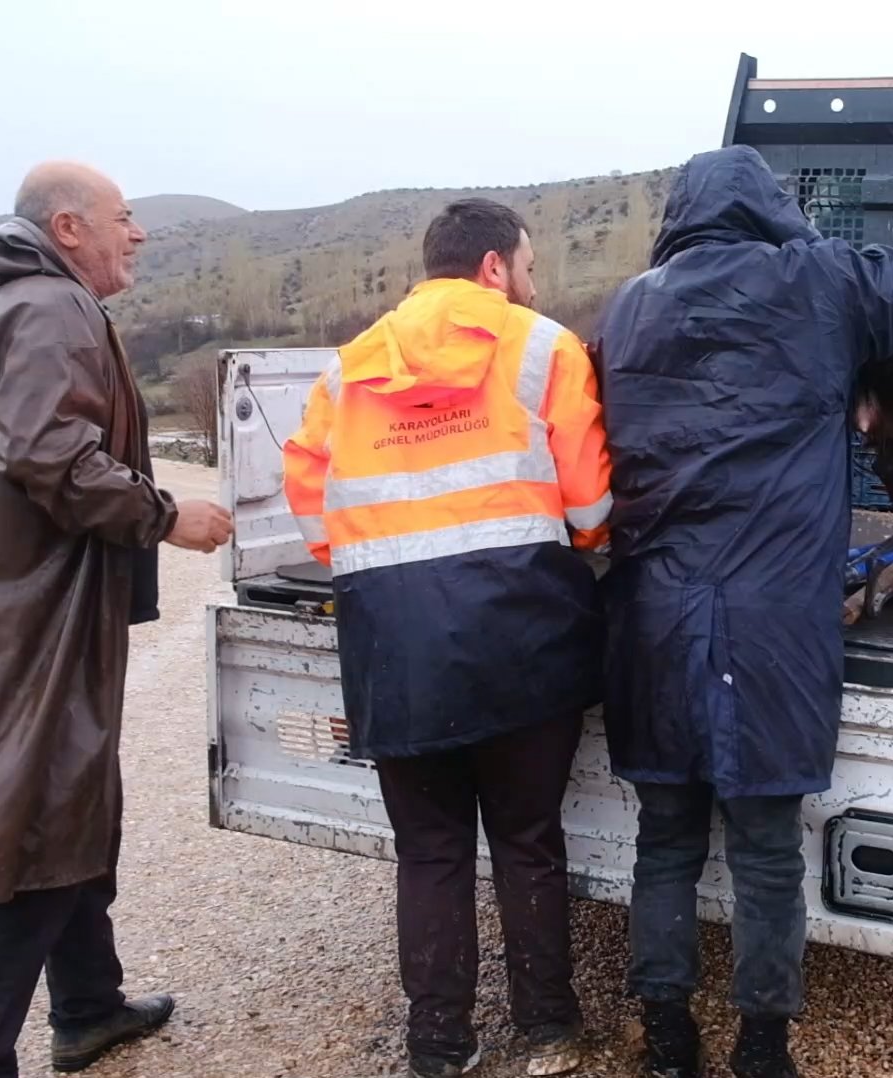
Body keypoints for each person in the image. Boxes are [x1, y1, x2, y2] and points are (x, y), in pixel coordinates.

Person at [589, 145, 893, 1078]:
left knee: (666, 839)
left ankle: (665, 1036)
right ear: (770, 207)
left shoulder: (633, 306)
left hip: (653, 616)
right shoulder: (817, 279)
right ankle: (763, 1045)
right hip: (773, 623)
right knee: (768, 848)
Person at [281, 198, 612, 1078]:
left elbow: (313, 505)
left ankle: (438, 1045)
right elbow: (590, 506)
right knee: (528, 837)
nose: (533, 282)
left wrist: (387, 561)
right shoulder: (543, 347)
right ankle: (546, 1026)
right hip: (523, 637)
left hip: (396, 644)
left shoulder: (349, 369)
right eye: (529, 266)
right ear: (496, 267)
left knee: (429, 853)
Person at [0, 161, 233, 1078]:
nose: (135, 234)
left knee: (72, 801)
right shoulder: (49, 311)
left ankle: (89, 1008)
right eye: (123, 219)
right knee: (37, 819)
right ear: (68, 229)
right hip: (32, 621)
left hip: (28, 609)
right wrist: (167, 515)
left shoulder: (25, 307)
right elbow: (51, 454)